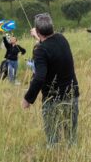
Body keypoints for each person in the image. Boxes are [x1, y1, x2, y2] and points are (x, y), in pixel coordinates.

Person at [22, 14, 80, 147]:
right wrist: (38, 37)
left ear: (37, 31)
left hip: (53, 100)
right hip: (72, 95)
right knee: (71, 137)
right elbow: (51, 45)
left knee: (53, 140)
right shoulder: (62, 39)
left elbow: (39, 77)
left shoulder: (41, 50)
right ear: (52, 27)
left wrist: (28, 99)